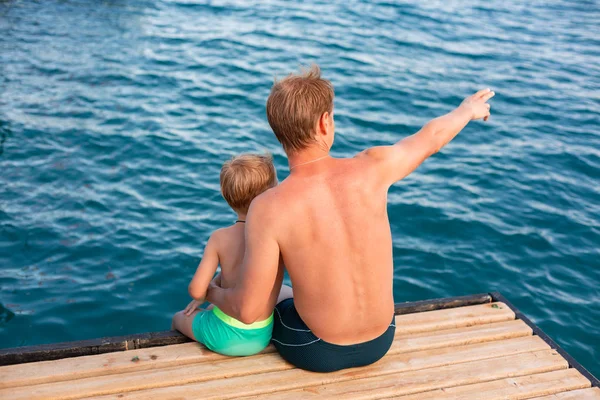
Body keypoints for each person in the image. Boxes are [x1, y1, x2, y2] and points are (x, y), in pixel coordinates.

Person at [206, 65, 494, 371]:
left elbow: (249, 311)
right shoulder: (374, 167)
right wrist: (467, 110)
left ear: (279, 133)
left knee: (265, 303)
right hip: (383, 338)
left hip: (316, 350)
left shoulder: (267, 207)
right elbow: (431, 138)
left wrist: (211, 292)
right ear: (324, 122)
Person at [171, 153, 291, 356]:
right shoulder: (277, 235)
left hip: (225, 337)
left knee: (178, 318)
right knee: (285, 290)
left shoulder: (219, 238)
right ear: (270, 193)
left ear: (226, 196)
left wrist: (206, 293)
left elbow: (197, 290)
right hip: (261, 335)